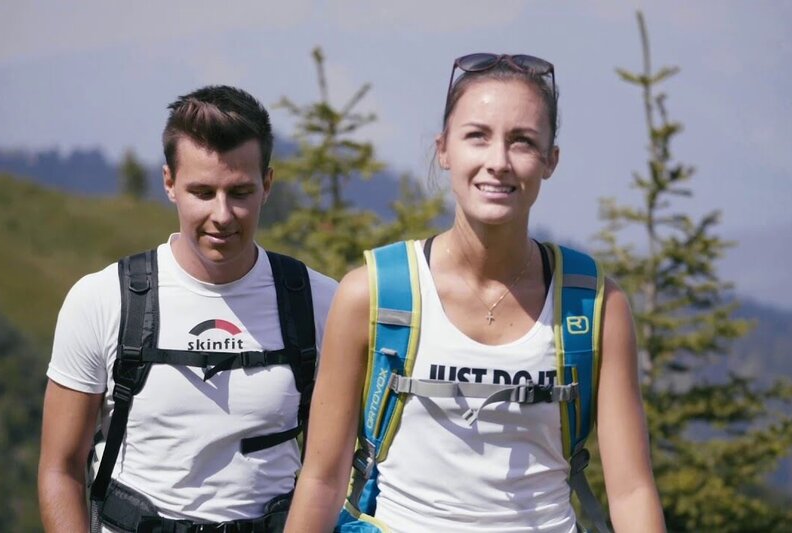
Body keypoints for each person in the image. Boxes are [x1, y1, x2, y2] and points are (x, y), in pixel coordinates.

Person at [285, 54, 665, 532]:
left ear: (550, 160)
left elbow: (631, 491)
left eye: (522, 141)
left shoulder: (595, 306)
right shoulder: (372, 295)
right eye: (477, 136)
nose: (498, 162)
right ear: (444, 149)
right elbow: (322, 481)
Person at [38, 85, 338, 532]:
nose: (223, 215)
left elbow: (334, 473)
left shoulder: (321, 303)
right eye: (202, 191)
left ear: (267, 185)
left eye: (240, 192)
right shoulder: (101, 300)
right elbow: (60, 469)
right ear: (169, 183)